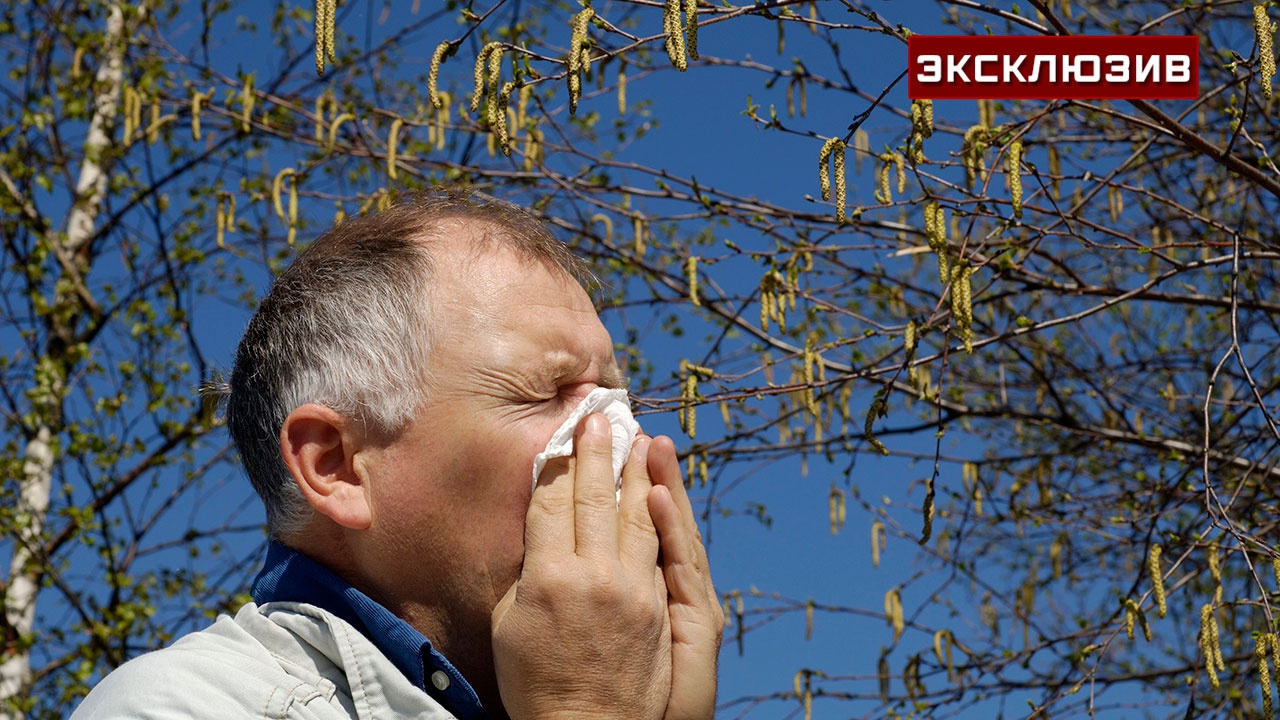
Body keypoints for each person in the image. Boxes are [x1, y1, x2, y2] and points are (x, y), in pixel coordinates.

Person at [71, 189, 723, 719]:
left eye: (615, 396)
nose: (621, 439)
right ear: (338, 466)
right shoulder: (184, 706)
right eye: (546, 393)